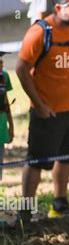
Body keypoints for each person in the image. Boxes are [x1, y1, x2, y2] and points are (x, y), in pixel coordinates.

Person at [16, 0, 69, 220]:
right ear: (58, 7)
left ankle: (60, 202)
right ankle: (26, 211)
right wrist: (39, 105)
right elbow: (21, 69)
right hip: (47, 112)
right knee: (37, 160)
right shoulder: (40, 32)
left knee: (66, 157)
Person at [0, 52, 15, 181]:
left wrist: (11, 127)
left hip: (1, 127)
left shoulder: (4, 76)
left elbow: (6, 102)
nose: (2, 64)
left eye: (2, 62)